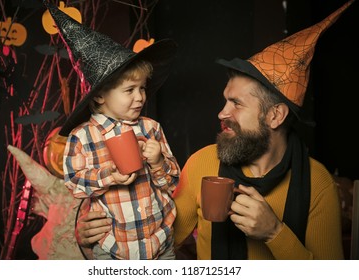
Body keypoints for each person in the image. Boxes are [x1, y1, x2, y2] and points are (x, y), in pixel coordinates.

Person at [74, 0, 354, 259]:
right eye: (224, 100)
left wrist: (274, 234)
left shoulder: (318, 184)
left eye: (236, 103)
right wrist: (93, 242)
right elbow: (157, 242)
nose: (221, 113)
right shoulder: (202, 163)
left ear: (275, 116)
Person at [43, 1, 181, 260]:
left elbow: (172, 184)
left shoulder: (151, 128)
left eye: (142, 88)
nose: (140, 97)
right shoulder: (82, 137)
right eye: (130, 90)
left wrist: (159, 161)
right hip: (113, 249)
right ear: (99, 97)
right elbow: (75, 184)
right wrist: (111, 176)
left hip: (160, 241)